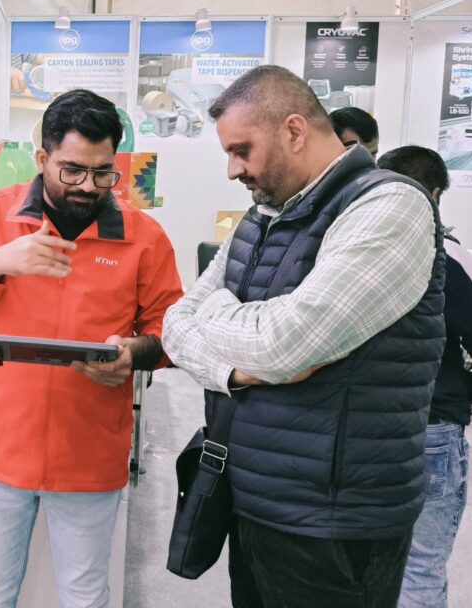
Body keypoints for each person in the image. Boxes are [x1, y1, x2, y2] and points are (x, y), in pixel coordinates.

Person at [163, 65, 445, 608]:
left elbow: (284, 346)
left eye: (241, 150)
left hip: (334, 524)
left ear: (294, 130)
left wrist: (216, 311)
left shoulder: (390, 206)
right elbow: (176, 326)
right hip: (253, 501)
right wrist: (231, 372)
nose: (232, 169)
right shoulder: (262, 217)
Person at [0, 89, 183, 608]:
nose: (88, 186)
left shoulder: (143, 237)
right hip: (1, 447)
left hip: (89, 451)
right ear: (42, 157)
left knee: (85, 595)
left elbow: (174, 330)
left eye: (102, 172)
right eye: (72, 170)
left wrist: (134, 353)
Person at [376, 146, 472, 608]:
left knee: (362, 564)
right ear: (436, 194)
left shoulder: (342, 251)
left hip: (355, 429)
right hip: (429, 424)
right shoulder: (441, 254)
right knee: (419, 568)